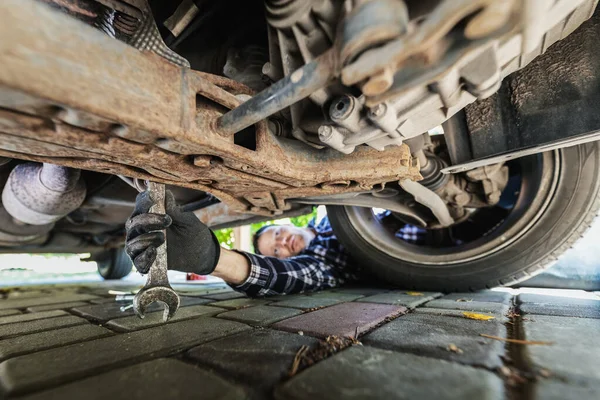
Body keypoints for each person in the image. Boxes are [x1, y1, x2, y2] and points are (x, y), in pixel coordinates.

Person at [125, 191, 361, 296]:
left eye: (278, 233)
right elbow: (286, 275)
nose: (283, 242)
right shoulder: (321, 264)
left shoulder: (325, 214)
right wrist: (211, 258)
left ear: (290, 224)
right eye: (277, 250)